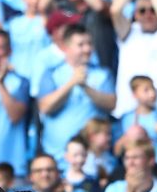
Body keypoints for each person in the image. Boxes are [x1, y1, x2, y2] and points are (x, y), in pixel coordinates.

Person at [37, 24, 116, 159]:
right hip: (57, 155)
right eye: (80, 45)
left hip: (94, 156)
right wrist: (71, 83)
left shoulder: (103, 74)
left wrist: (86, 87)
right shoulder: (52, 73)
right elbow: (45, 107)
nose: (87, 49)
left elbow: (111, 104)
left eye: (89, 44)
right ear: (66, 47)